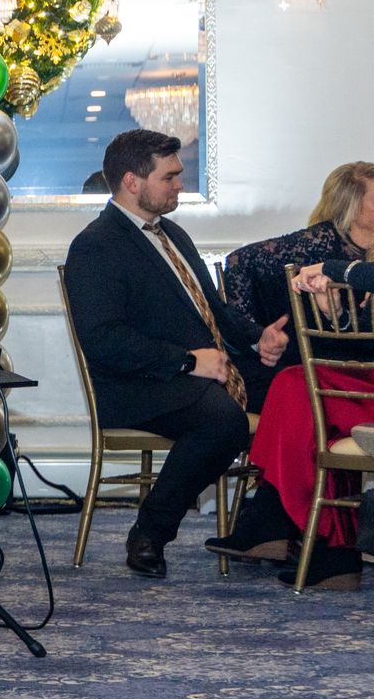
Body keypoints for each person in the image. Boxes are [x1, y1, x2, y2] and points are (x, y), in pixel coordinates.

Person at [64, 130, 288, 579]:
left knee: (298, 388)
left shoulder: (173, 235)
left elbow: (213, 309)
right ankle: (150, 532)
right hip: (138, 384)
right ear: (132, 181)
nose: (179, 185)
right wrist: (188, 361)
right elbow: (104, 340)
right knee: (223, 422)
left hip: (200, 372)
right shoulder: (96, 245)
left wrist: (257, 338)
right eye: (169, 177)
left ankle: (268, 527)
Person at [227, 156, 374, 589]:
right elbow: (363, 332)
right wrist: (263, 332)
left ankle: (285, 527)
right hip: (372, 378)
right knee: (298, 388)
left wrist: (336, 273)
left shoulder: (367, 260)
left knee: (300, 391)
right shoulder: (346, 246)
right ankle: (320, 545)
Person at [223, 160, 374, 408]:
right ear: (352, 207)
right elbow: (239, 260)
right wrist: (254, 333)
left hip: (361, 362)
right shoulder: (322, 239)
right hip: (313, 364)